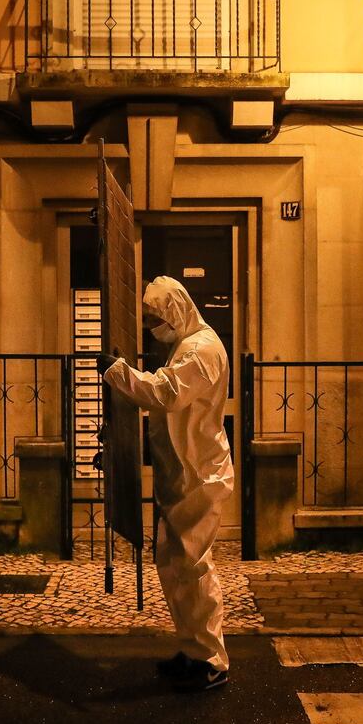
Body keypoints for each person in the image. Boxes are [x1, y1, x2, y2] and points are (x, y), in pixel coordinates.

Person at [99, 275, 233, 692]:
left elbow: (167, 393)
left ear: (176, 310)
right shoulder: (187, 345)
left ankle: (211, 659)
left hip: (200, 475)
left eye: (158, 318)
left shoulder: (200, 349)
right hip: (186, 472)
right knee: (176, 566)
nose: (154, 328)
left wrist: (119, 373)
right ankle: (193, 650)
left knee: (192, 567)